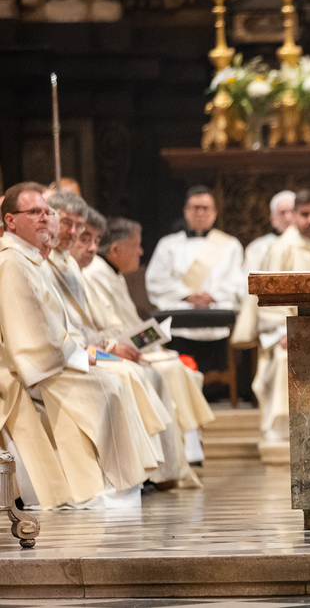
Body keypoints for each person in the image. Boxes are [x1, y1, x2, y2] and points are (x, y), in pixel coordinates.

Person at [0, 183, 153, 509]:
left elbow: (58, 326)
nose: (44, 218)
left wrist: (86, 352)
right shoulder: (12, 262)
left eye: (46, 212)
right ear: (11, 220)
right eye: (35, 212)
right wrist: (82, 356)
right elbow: (29, 337)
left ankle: (119, 484)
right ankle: (99, 487)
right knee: (109, 385)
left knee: (114, 379)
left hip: (57, 357)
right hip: (35, 368)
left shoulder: (31, 259)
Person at [45, 193, 198, 491]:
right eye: (78, 233)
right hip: (73, 354)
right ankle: (134, 475)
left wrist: (114, 345)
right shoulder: (60, 266)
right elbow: (70, 329)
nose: (90, 246)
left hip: (89, 347)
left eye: (87, 235)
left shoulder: (70, 266)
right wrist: (110, 348)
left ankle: (163, 469)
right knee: (132, 374)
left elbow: (92, 324)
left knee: (150, 370)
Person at [83, 215, 216, 465]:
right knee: (170, 367)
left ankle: (186, 443)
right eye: (136, 245)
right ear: (116, 249)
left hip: (121, 345)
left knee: (174, 362)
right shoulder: (95, 274)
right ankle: (180, 449)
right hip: (108, 350)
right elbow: (105, 326)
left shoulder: (112, 274)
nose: (141, 252)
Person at [234, 189, 310, 443]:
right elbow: (268, 301)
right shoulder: (280, 249)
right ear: (295, 216)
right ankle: (283, 431)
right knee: (285, 358)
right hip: (287, 332)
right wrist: (286, 332)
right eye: (305, 214)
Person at [145, 185, 244, 378]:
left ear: (215, 213)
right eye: (195, 208)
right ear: (186, 212)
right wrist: (187, 295)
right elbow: (156, 280)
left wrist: (212, 296)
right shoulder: (168, 244)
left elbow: (238, 281)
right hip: (180, 315)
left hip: (216, 314)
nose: (200, 213)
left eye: (205, 208)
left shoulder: (231, 245)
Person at [243, 190, 296, 277]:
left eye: (292, 211)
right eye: (282, 213)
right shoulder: (258, 248)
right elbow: (249, 281)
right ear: (273, 219)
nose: (288, 218)